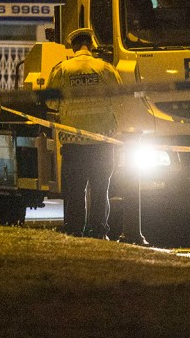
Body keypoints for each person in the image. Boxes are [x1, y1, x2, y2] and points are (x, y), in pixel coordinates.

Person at [47, 27, 123, 239]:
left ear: (73, 47)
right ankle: (100, 231)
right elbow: (119, 98)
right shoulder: (105, 68)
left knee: (75, 190)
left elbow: (50, 101)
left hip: (73, 143)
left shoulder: (62, 69)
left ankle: (74, 231)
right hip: (102, 141)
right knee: (101, 190)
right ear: (90, 45)